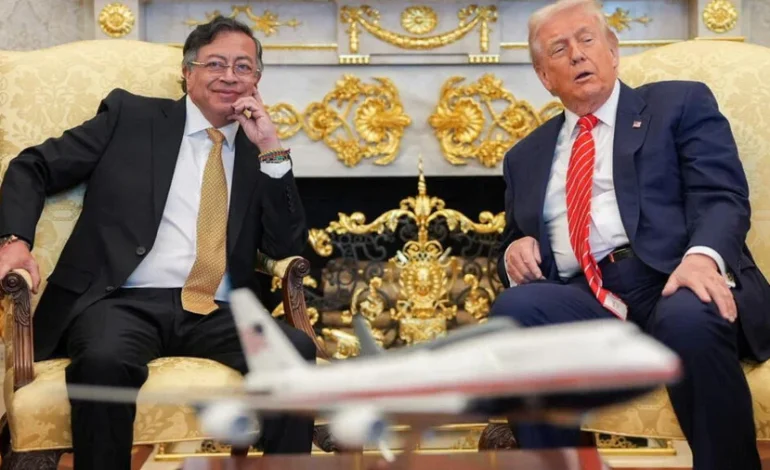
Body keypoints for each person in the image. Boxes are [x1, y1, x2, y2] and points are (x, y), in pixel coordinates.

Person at [0, 15, 316, 470]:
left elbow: (286, 244)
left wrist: (271, 149)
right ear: (188, 72)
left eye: (243, 67)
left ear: (257, 81)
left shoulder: (260, 151)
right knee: (104, 361)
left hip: (216, 309)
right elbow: (33, 166)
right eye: (215, 64)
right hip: (120, 301)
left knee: (296, 353)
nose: (229, 76)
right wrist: (14, 241)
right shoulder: (132, 118)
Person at [490, 0, 770, 469]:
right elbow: (512, 237)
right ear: (544, 76)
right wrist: (514, 250)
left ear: (613, 51)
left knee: (689, 315)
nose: (577, 54)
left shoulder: (678, 104)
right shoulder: (525, 156)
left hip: (672, 275)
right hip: (585, 296)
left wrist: (702, 258)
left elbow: (721, 195)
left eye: (587, 39)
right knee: (515, 311)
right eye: (559, 49)